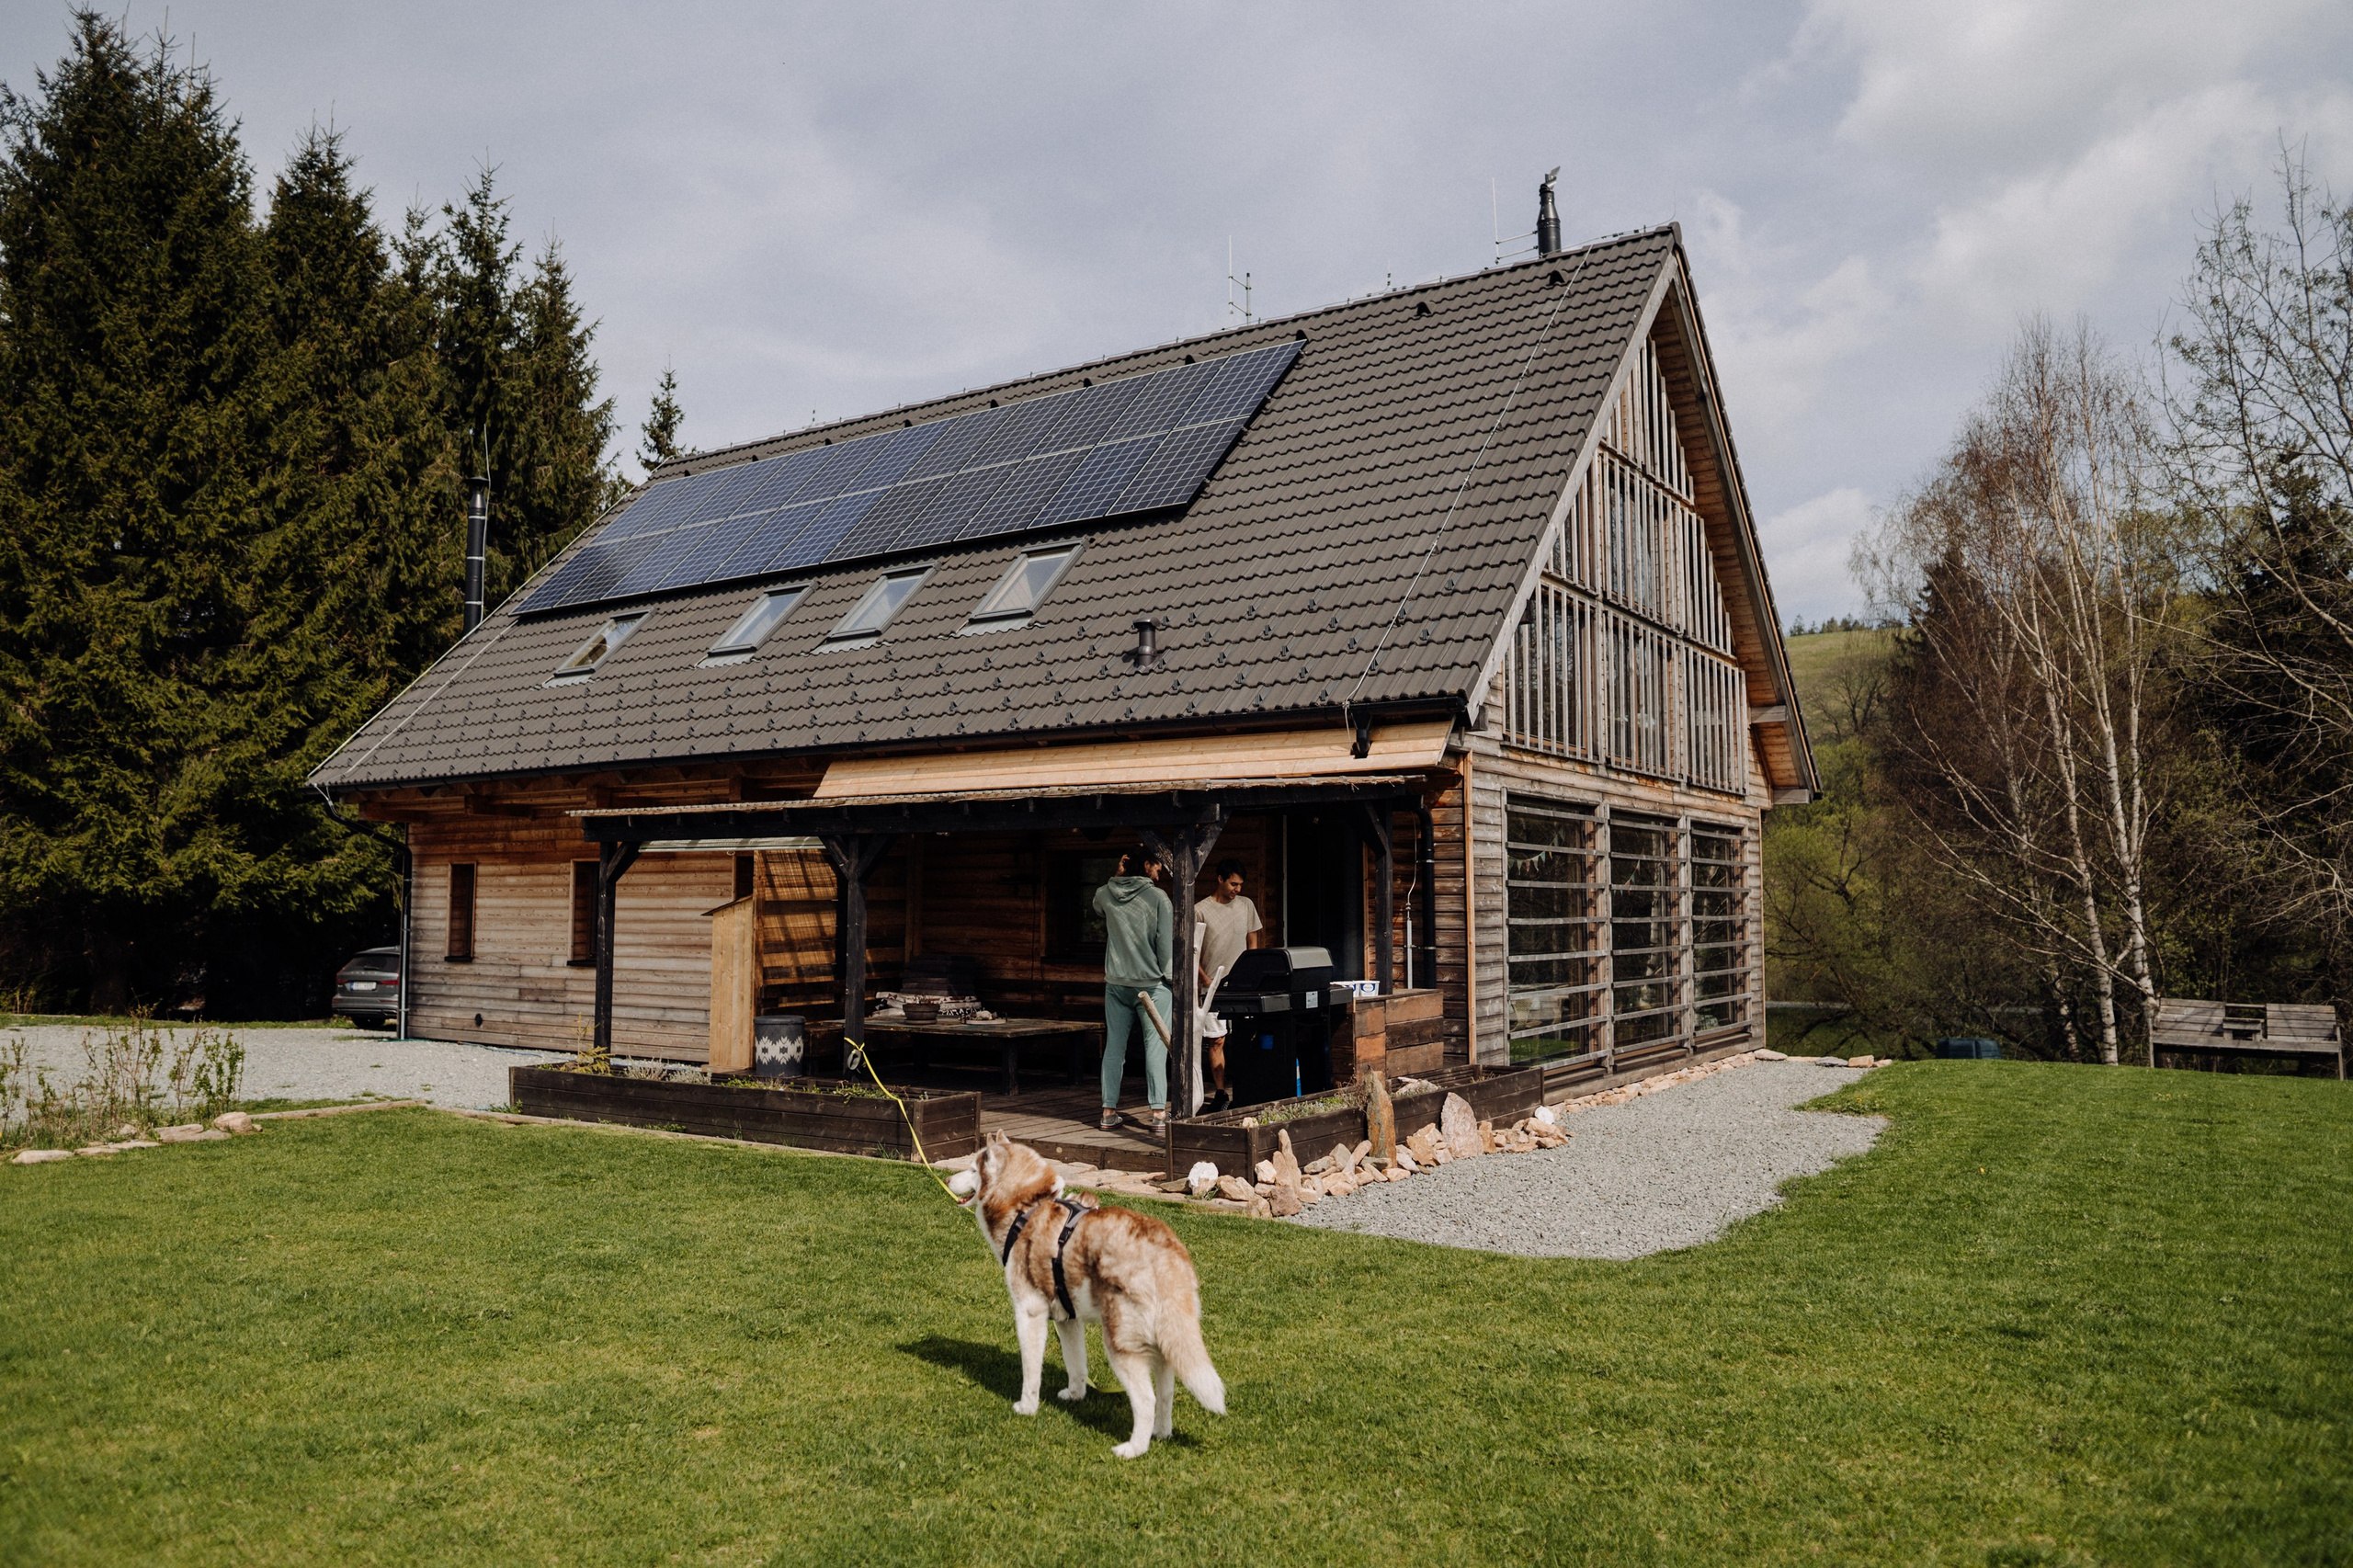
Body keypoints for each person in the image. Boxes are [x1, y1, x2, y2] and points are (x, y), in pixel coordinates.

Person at [1094, 845, 1173, 1131]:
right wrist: (1171, 979)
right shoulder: (1158, 897)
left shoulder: (1106, 893)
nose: (1159, 876)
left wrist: (1116, 876)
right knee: (1156, 1047)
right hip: (1152, 985)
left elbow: (1096, 906)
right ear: (1147, 865)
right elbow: (1165, 945)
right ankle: (1159, 1115)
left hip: (1116, 984)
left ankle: (1108, 1112)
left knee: (1114, 1046)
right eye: (1158, 868)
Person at [1193, 857, 1265, 1113]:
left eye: (1241, 885)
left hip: (1242, 985)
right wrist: (1205, 979)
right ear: (1220, 879)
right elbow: (1192, 950)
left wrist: (1252, 971)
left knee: (1246, 1037)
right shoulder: (1200, 910)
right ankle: (1221, 1092)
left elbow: (1252, 940)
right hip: (1212, 986)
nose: (1238, 889)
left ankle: (1246, 1089)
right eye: (1233, 884)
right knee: (1217, 1040)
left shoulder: (1246, 905)